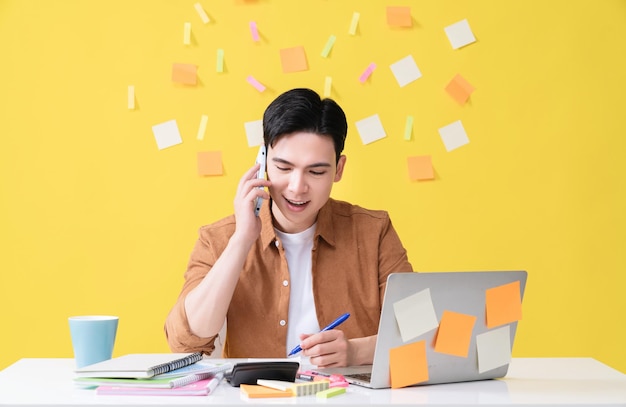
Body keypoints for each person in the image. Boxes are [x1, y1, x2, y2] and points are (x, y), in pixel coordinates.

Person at [165, 88, 412, 368]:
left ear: (339, 169)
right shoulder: (219, 238)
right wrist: (242, 239)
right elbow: (185, 341)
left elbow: (420, 332)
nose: (297, 187)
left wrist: (357, 352)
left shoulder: (373, 232)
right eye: (283, 168)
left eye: (316, 172)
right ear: (263, 163)